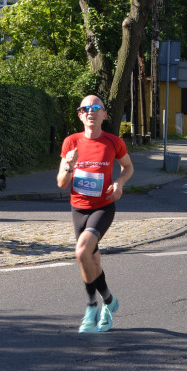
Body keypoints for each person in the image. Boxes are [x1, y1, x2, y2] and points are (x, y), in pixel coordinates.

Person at [57, 95, 134, 333]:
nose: (91, 111)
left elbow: (128, 167)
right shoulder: (71, 142)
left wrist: (120, 183)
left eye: (96, 108)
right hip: (78, 208)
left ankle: (91, 306)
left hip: (104, 206)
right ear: (80, 115)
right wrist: (69, 165)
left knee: (81, 252)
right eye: (86, 108)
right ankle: (109, 301)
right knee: (92, 259)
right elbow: (61, 183)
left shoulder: (113, 142)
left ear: (104, 115)